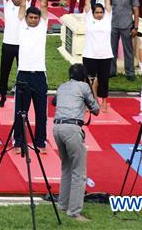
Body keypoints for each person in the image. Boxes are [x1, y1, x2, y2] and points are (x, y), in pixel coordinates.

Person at [51, 63, 100, 222]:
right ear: (85, 77)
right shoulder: (85, 87)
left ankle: (63, 204)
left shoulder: (62, 86)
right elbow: (96, 109)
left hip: (57, 128)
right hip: (72, 129)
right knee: (79, 172)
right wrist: (92, 88)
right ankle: (74, 212)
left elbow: (54, 101)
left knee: (66, 167)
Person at [14, 0, 49, 152]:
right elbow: (21, 4)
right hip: (24, 74)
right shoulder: (22, 25)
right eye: (31, 17)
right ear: (26, 17)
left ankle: (41, 142)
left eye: (36, 18)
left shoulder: (43, 25)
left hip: (40, 75)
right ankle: (18, 142)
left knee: (41, 112)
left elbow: (43, 5)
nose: (34, 20)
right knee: (21, 111)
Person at [82, 0, 113, 111]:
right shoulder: (88, 18)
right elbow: (87, 2)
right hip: (90, 55)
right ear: (92, 13)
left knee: (104, 80)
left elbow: (108, 4)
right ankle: (89, 102)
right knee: (88, 80)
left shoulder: (107, 19)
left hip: (105, 55)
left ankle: (104, 102)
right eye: (97, 12)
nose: (99, 14)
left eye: (101, 12)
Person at [0, 0, 24, 107]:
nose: (18, 0)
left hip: (21, 45)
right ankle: (2, 96)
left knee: (22, 72)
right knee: (4, 72)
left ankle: (21, 95)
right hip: (7, 44)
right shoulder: (8, 5)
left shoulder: (25, 6)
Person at [109, 0, 139, 81]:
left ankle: (130, 73)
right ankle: (112, 71)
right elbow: (108, 9)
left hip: (127, 26)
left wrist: (136, 27)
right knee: (112, 50)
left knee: (128, 51)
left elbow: (136, 11)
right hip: (113, 25)